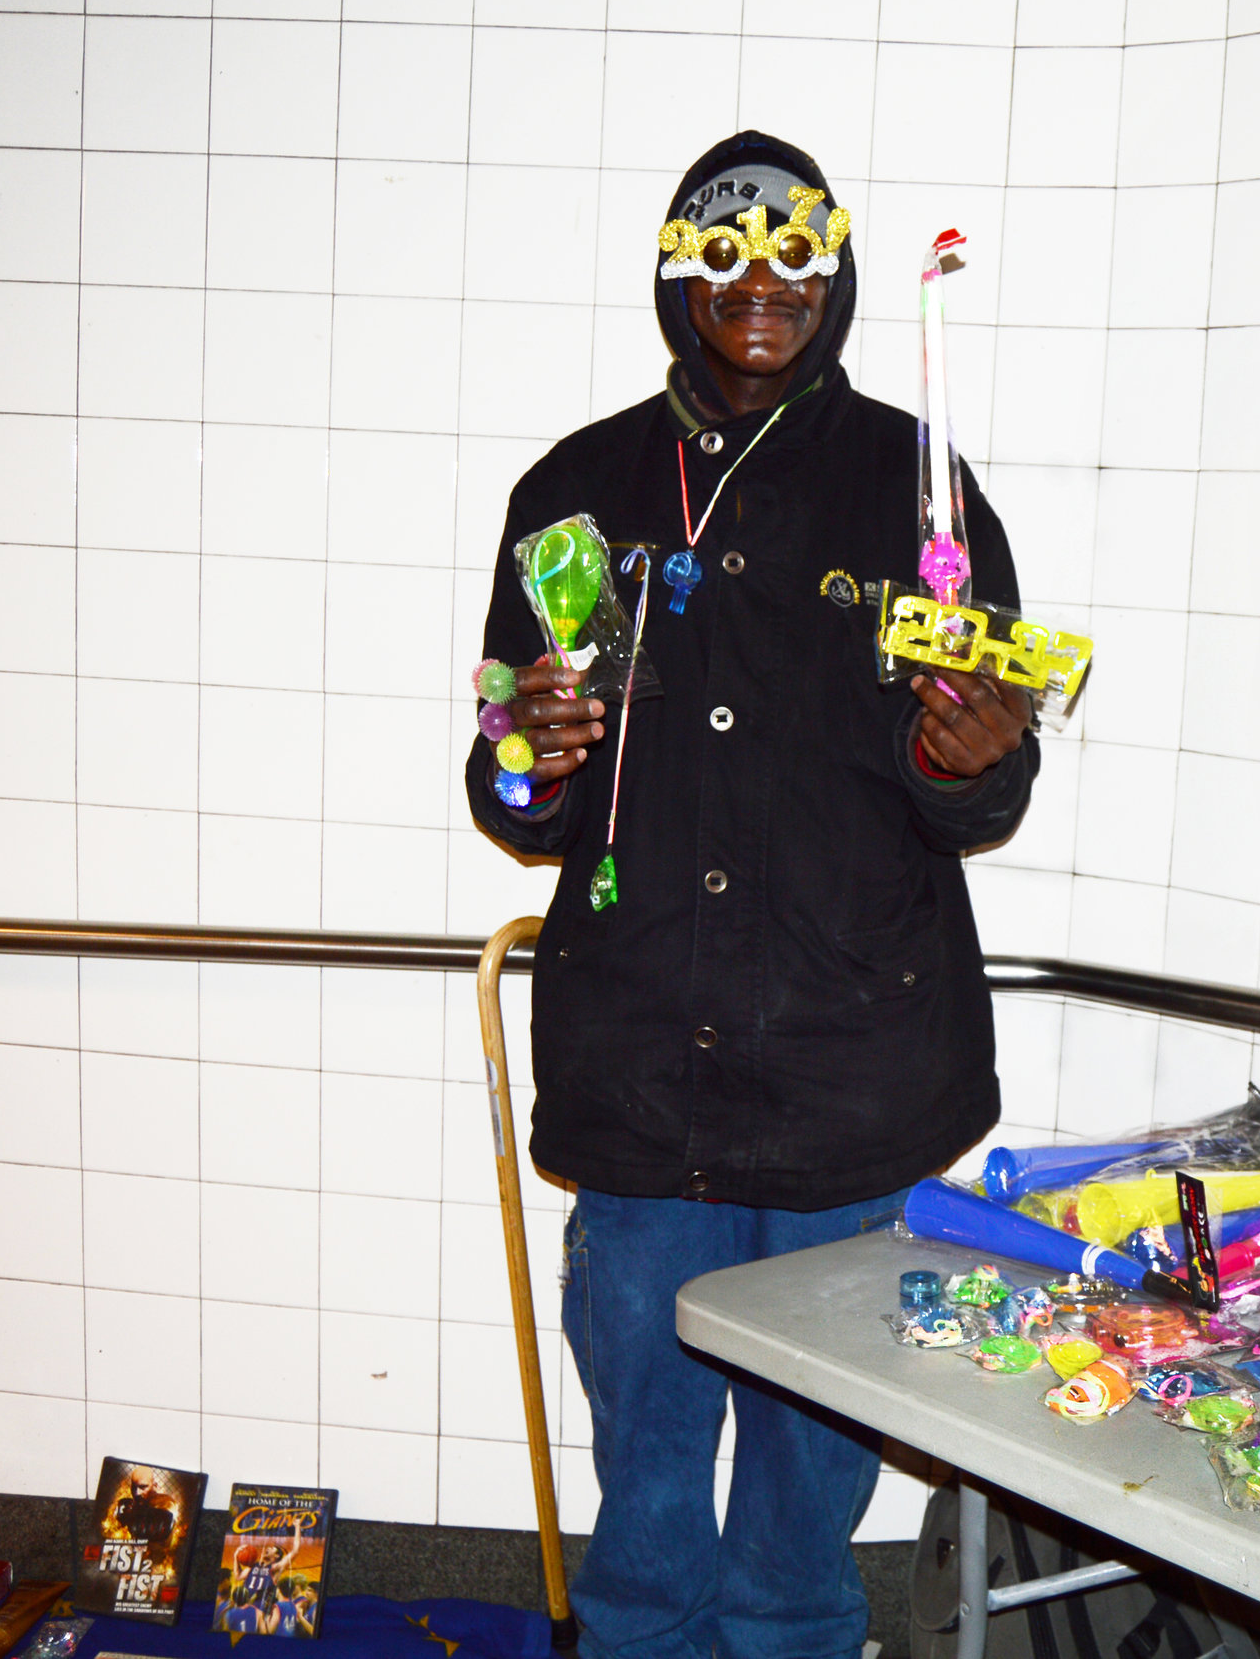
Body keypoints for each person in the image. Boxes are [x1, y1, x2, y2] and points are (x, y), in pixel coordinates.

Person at [464, 130, 1036, 1659]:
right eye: (723, 259)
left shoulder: (917, 487)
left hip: (858, 1073)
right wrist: (529, 753)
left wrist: (974, 757)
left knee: (807, 1482)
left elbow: (975, 785)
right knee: (646, 1471)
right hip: (644, 1075)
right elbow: (511, 789)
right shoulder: (573, 490)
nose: (759, 288)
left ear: (836, 276)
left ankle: (792, 1641)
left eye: (793, 257)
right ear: (677, 278)